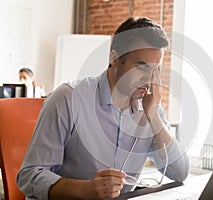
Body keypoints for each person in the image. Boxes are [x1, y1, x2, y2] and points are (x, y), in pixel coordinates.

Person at [17, 17, 189, 199]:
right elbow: (29, 175)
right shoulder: (68, 98)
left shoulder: (149, 109)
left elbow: (180, 172)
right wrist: (86, 190)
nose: (149, 79)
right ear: (115, 59)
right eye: (141, 67)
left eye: (156, 70)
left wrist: (154, 118)